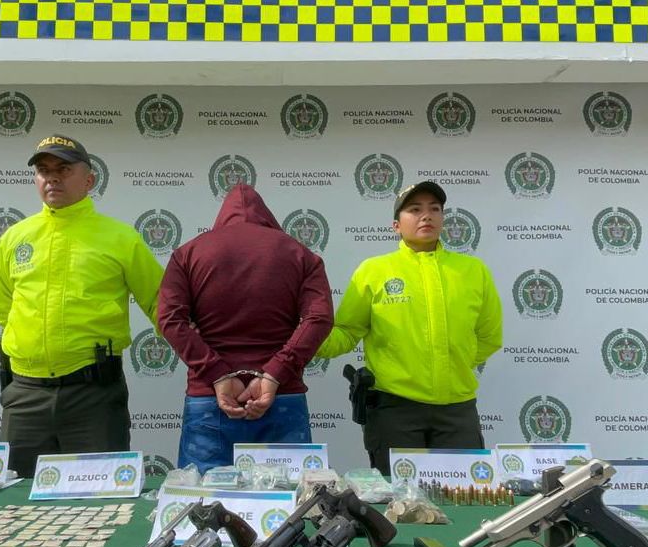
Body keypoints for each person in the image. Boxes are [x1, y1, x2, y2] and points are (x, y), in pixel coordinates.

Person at [0, 134, 164, 477]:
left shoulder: (121, 238)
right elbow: (2, 307)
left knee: (100, 503)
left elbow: (161, 304)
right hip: (25, 396)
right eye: (43, 170)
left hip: (93, 397)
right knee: (17, 505)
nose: (52, 177)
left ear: (89, 180)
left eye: (63, 169)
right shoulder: (14, 239)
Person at [316, 180, 502, 476]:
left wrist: (453, 366)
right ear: (396, 225)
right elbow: (348, 331)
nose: (426, 216)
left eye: (434, 209)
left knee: (463, 502)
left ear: (443, 218)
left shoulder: (473, 271)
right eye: (415, 210)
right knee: (399, 507)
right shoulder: (374, 270)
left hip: (458, 412)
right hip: (394, 411)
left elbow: (490, 337)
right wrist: (307, 335)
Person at [158, 184, 333, 473]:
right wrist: (274, 374)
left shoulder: (188, 253)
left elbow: (170, 320)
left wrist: (217, 374)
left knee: (202, 505)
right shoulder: (302, 255)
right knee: (289, 508)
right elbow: (319, 319)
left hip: (209, 397)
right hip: (281, 395)